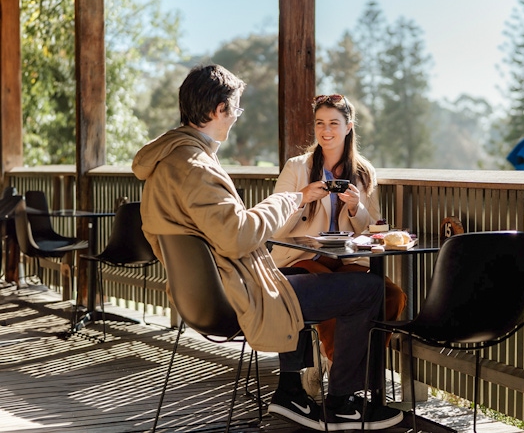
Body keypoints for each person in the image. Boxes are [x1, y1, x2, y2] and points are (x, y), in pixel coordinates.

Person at [131, 64, 403, 431]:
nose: (236, 119)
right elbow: (237, 235)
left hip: (212, 292)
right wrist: (293, 200)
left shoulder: (172, 161)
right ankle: (339, 403)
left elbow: (227, 232)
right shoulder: (194, 165)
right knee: (368, 290)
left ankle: (295, 393)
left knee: (354, 285)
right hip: (241, 292)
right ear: (218, 110)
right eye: (236, 109)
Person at [271, 94, 407, 395]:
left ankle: (352, 368)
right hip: (300, 258)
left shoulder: (364, 172)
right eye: (320, 123)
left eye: (334, 123)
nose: (326, 130)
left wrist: (357, 208)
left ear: (348, 127)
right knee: (337, 293)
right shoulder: (297, 167)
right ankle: (343, 382)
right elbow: (275, 227)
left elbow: (375, 230)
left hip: (348, 261)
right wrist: (302, 198)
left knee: (393, 296)